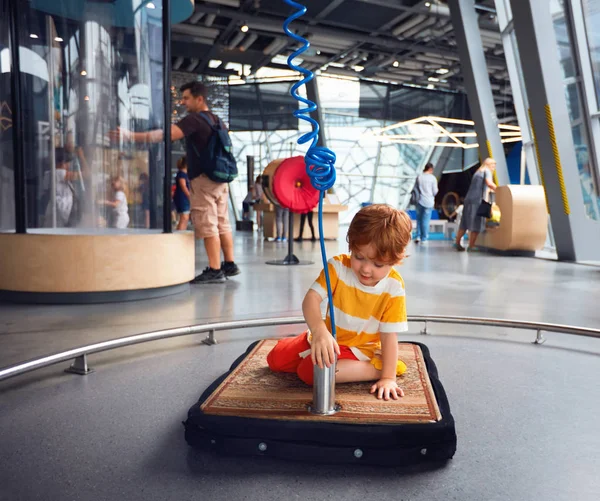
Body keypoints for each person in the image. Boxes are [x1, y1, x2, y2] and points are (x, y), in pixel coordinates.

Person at [267, 204, 412, 401]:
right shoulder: (337, 266)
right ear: (351, 245)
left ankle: (380, 368)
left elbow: (388, 336)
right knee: (275, 359)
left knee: (310, 372)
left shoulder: (393, 287)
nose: (366, 269)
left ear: (395, 260)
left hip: (361, 348)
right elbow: (311, 299)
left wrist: (387, 377)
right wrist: (318, 332)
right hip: (326, 335)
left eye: (378, 264)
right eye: (359, 257)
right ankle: (311, 346)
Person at [109, 81, 240, 284]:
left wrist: (129, 135)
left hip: (204, 180)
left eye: (186, 98)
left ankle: (215, 269)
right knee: (223, 222)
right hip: (221, 179)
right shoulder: (217, 120)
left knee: (208, 224)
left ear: (199, 99)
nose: (183, 102)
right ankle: (229, 264)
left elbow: (164, 135)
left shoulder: (195, 120)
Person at [454, 157, 497, 252]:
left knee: (464, 222)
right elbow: (489, 183)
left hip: (468, 199)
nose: (494, 168)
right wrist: (499, 189)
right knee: (476, 222)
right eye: (493, 166)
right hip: (477, 200)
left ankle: (457, 242)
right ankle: (472, 245)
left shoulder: (478, 172)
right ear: (489, 165)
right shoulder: (487, 171)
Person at [414, 162, 438, 245]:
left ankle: (417, 236)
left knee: (419, 220)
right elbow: (435, 191)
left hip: (419, 200)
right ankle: (424, 238)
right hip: (429, 201)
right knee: (426, 220)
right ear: (430, 169)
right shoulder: (433, 178)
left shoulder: (419, 177)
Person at [173, 157, 191, 230]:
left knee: (185, 217)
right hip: (182, 198)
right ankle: (180, 232)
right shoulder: (182, 174)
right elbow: (183, 186)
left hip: (184, 198)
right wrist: (189, 196)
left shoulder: (184, 174)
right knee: (184, 217)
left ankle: (181, 231)